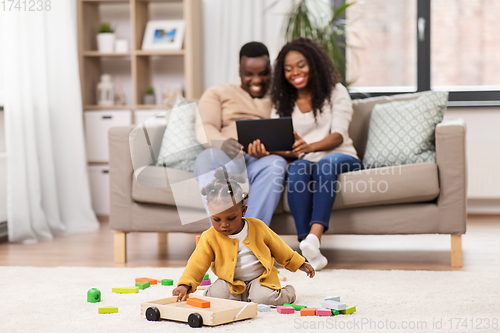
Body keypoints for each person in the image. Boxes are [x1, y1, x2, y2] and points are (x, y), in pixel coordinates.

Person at [249, 38, 362, 271]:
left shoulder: (335, 92)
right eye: (288, 69)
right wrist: (266, 148)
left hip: (341, 156)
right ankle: (308, 249)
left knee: (326, 164)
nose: (294, 73)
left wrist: (309, 146)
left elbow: (338, 136)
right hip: (306, 160)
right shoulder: (283, 101)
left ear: (314, 63)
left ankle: (314, 237)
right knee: (297, 168)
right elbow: (285, 144)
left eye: (301, 65)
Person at [172, 169, 315, 305]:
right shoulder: (209, 237)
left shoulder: (258, 227)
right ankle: (243, 294)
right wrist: (185, 285)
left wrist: (299, 263)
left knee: (265, 298)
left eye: (231, 218)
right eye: (216, 219)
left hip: (260, 278)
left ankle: (288, 292)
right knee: (215, 299)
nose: (224, 225)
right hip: (229, 281)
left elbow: (280, 248)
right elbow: (196, 264)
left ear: (243, 211)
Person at [194, 42, 287, 226]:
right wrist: (222, 143)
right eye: (249, 74)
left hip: (261, 160)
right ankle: (224, 235)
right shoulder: (218, 92)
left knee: (277, 165)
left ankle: (248, 240)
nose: (257, 80)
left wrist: (270, 149)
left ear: (271, 70)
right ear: (239, 71)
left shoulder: (280, 97)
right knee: (207, 158)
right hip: (226, 156)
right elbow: (204, 127)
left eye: (263, 73)